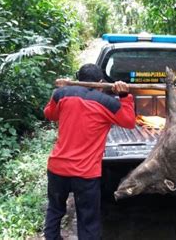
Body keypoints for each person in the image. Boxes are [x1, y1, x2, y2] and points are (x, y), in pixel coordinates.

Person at [43, 64, 136, 240]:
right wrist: (125, 96)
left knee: (54, 210)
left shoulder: (61, 95)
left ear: (78, 80)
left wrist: (58, 92)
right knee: (88, 219)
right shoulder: (108, 103)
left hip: (57, 168)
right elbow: (129, 122)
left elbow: (49, 114)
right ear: (101, 84)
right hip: (85, 174)